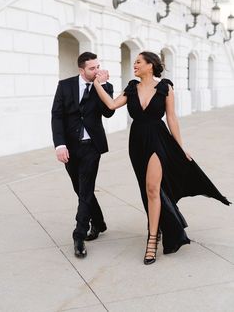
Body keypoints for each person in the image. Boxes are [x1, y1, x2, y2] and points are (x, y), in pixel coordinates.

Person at [93, 51, 231, 265]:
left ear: (151, 65)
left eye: (139, 62)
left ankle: (152, 239)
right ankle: (160, 228)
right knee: (145, 189)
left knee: (152, 189)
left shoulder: (166, 87)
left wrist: (180, 147)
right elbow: (111, 105)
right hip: (137, 142)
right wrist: (97, 84)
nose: (135, 65)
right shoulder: (131, 87)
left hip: (158, 139)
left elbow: (172, 118)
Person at [51, 52, 115, 259]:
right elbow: (57, 116)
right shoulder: (65, 85)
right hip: (70, 146)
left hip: (92, 147)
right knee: (79, 188)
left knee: (86, 188)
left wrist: (102, 85)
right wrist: (59, 145)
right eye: (92, 68)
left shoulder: (104, 86)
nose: (97, 71)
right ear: (81, 70)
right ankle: (99, 222)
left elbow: (109, 112)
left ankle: (79, 235)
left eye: (98, 67)